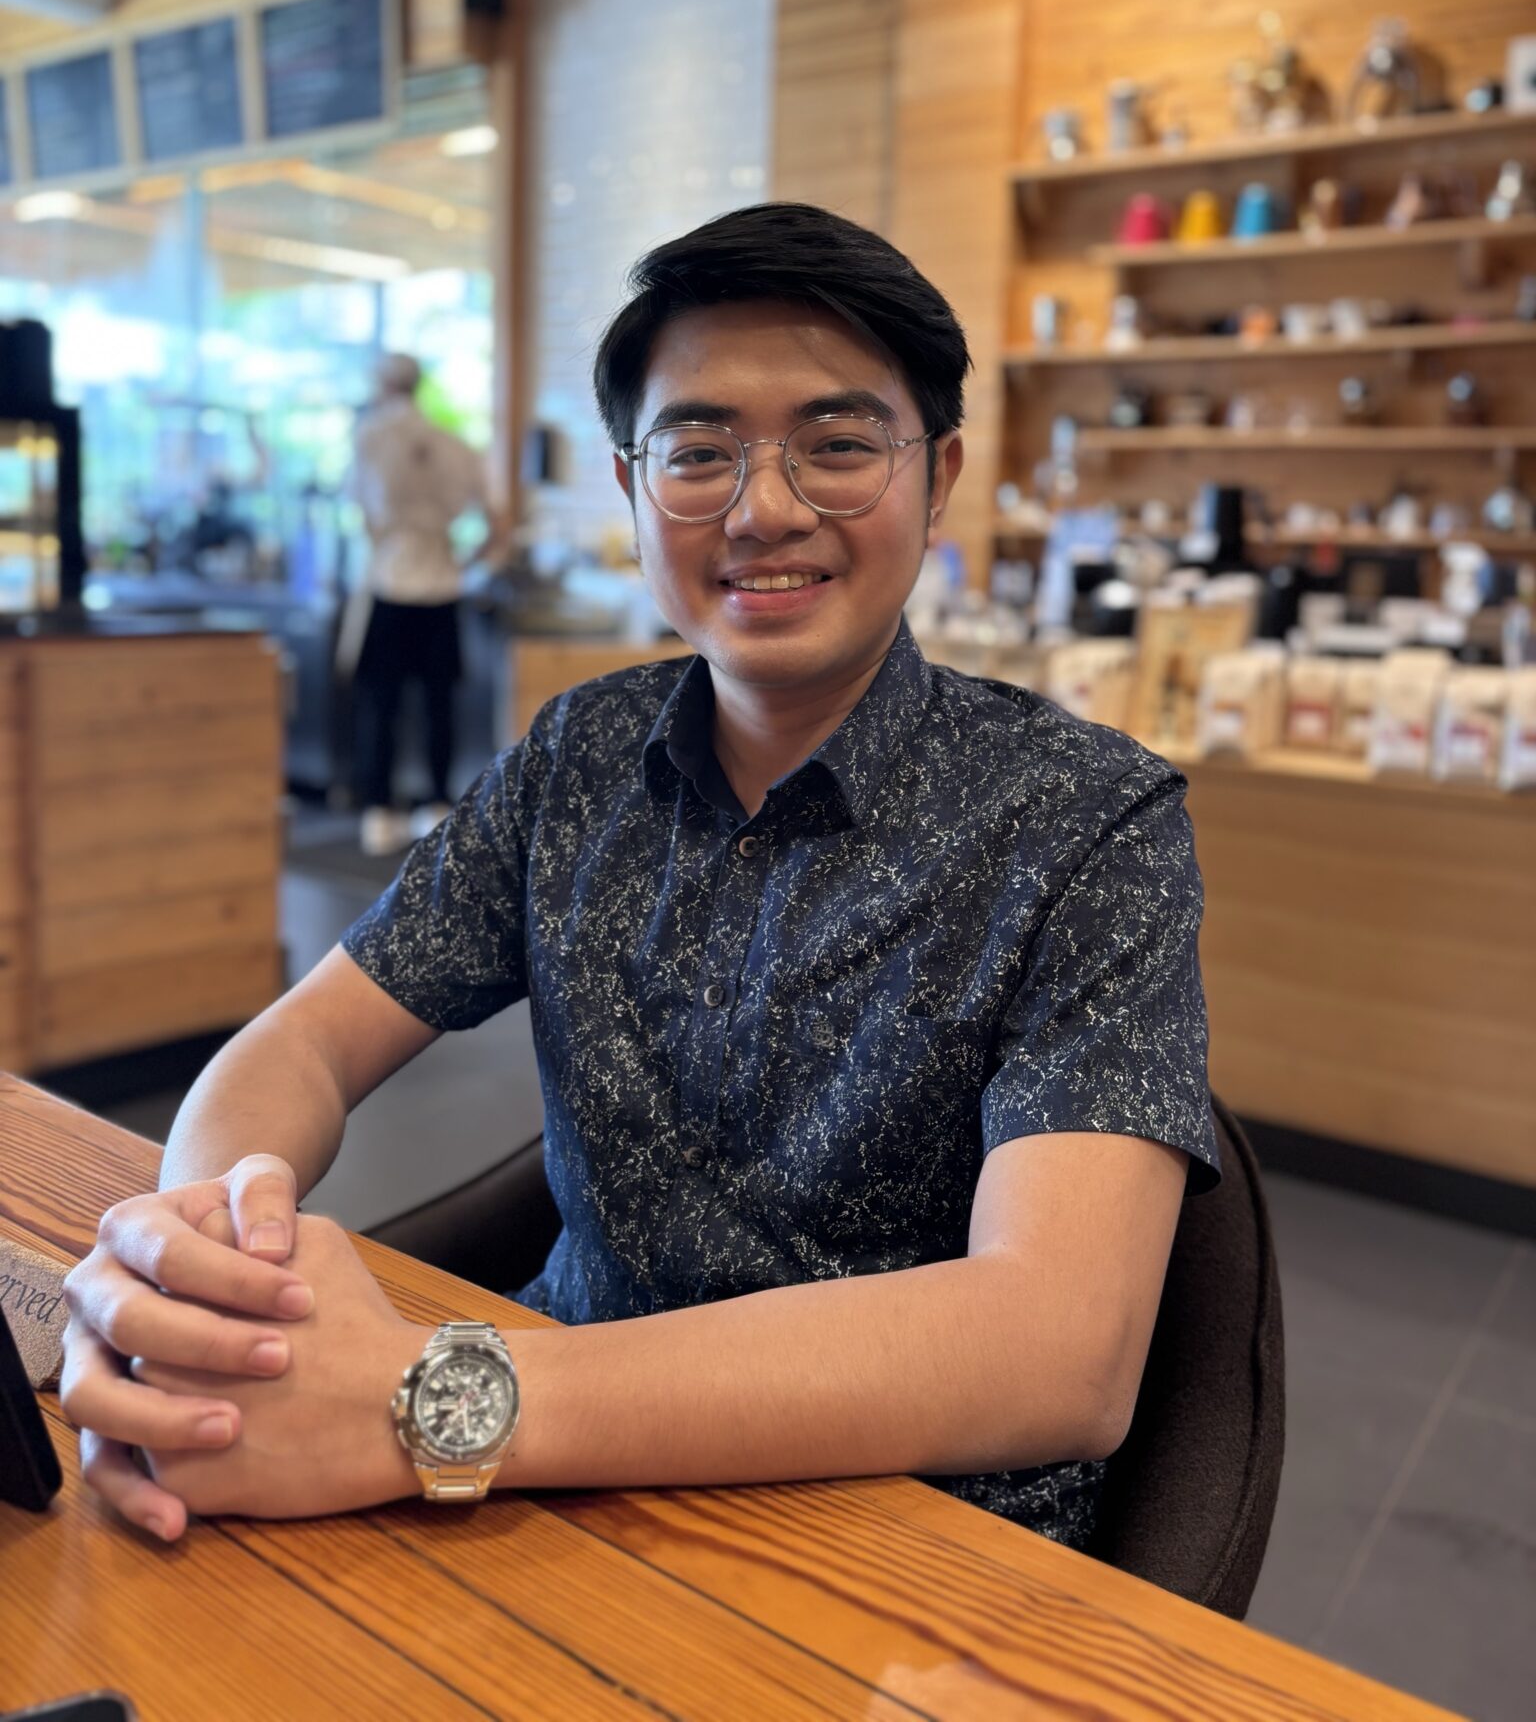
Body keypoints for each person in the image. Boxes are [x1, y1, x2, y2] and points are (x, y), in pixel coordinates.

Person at [59, 203, 1219, 1548]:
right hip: (545, 1495)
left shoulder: (1089, 819)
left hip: (904, 1545)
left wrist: (433, 1400)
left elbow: (1056, 1351)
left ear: (938, 473)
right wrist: (205, 1251)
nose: (765, 509)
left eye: (839, 447)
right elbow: (308, 1039)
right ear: (631, 487)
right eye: (700, 451)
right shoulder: (580, 758)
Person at [347, 352, 495, 855]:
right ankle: (434, 804)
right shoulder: (454, 442)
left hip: (389, 583)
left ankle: (378, 812)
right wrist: (463, 560)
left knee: (381, 706)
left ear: (383, 384)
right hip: (442, 585)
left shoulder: (370, 436)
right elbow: (495, 521)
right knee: (439, 705)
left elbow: (360, 510)